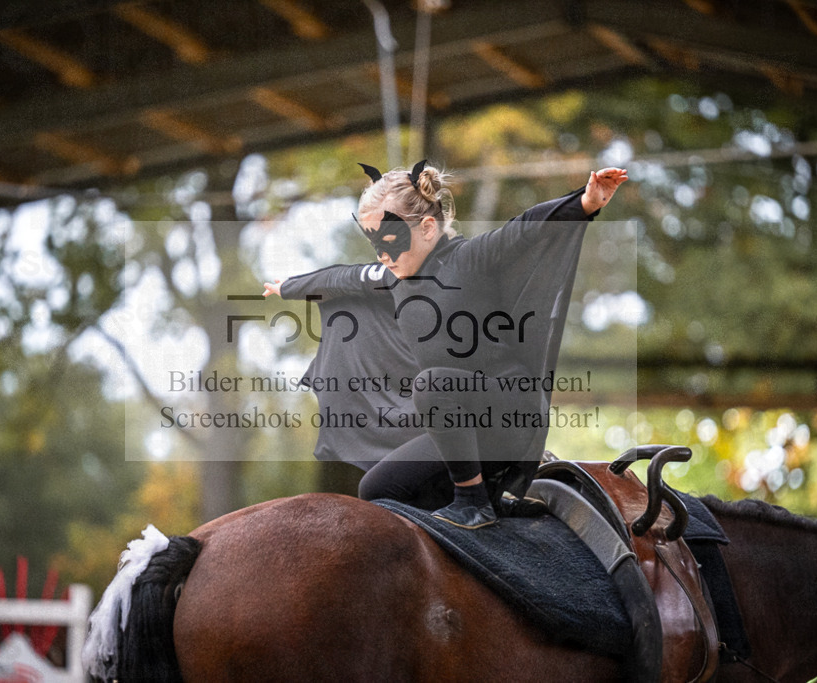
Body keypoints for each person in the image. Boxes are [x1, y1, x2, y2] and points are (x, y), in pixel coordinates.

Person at [265, 160, 626, 528]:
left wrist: (585, 203)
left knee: (431, 384)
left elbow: (525, 229)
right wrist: (287, 287)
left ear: (426, 227)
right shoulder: (392, 277)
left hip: (511, 410)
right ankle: (494, 502)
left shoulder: (469, 259)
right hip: (463, 423)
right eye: (373, 242)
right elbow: (343, 278)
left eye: (388, 240)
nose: (381, 254)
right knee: (376, 489)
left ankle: (474, 503)